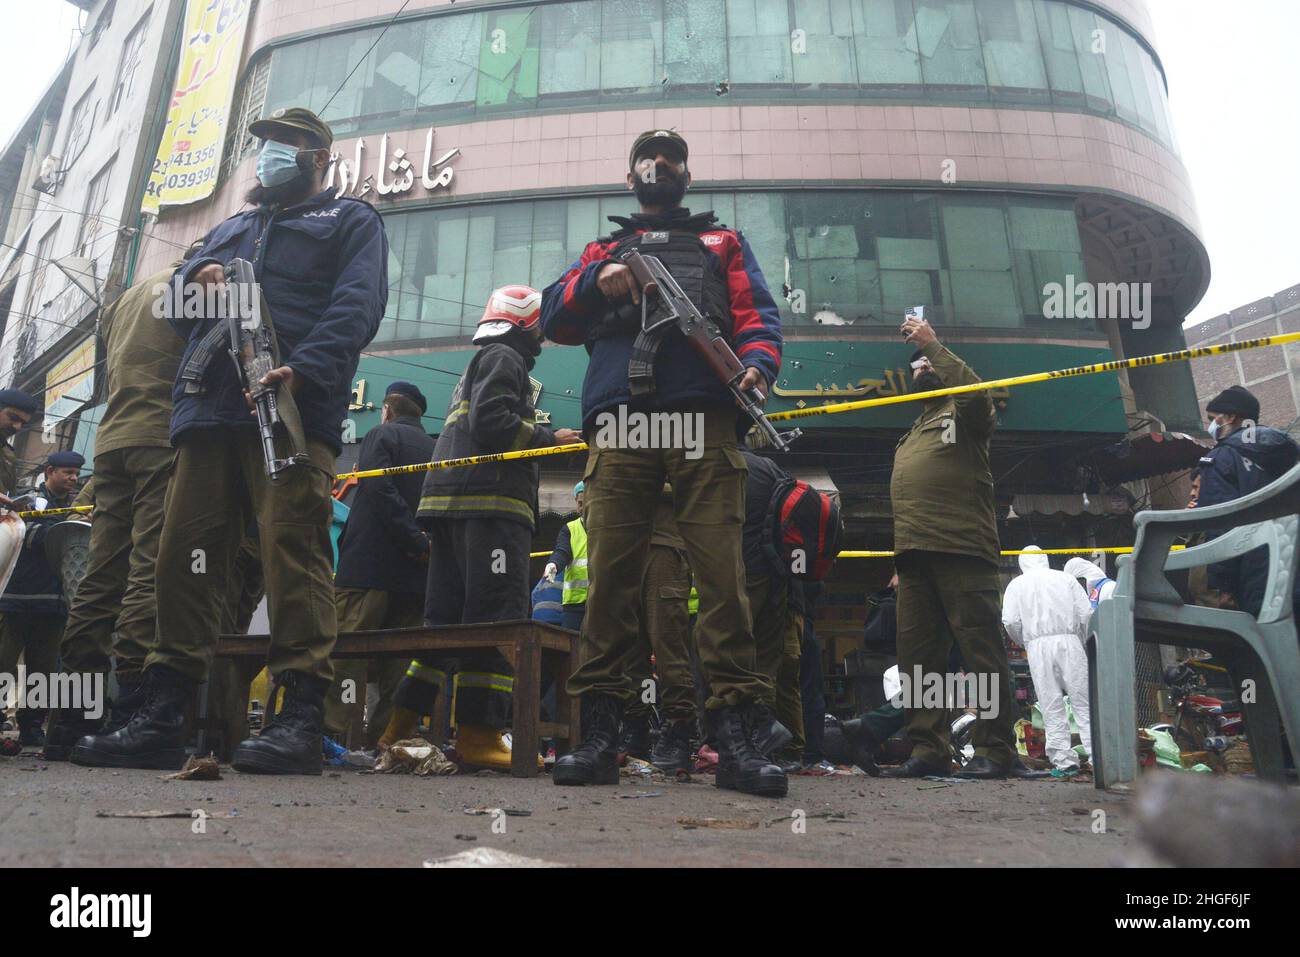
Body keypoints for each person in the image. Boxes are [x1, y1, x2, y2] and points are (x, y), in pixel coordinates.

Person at [74, 107, 389, 773]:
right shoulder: (233, 228)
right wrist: (197, 283)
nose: (272, 153)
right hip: (209, 413)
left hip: (290, 409)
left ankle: (299, 714)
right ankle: (162, 712)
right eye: (267, 142)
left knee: (293, 553)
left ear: (318, 158)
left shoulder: (352, 221)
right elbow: (178, 315)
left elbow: (357, 306)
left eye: (288, 144)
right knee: (182, 559)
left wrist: (303, 372)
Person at [542, 128, 786, 796]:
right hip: (623, 419)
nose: (658, 166)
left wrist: (758, 369)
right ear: (630, 178)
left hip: (705, 414)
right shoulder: (603, 248)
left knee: (723, 579)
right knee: (611, 583)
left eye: (670, 158)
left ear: (685, 172)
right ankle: (598, 734)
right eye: (647, 159)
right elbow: (552, 314)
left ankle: (737, 736)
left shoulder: (721, 243)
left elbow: (757, 316)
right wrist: (599, 278)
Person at [378, 286, 579, 770]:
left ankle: (395, 732)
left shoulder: (483, 359)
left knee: (443, 625)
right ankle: (479, 736)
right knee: (494, 621)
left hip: (450, 505)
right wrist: (552, 440)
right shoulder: (506, 357)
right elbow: (493, 421)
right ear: (527, 326)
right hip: (489, 507)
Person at [43, 262, 191, 760]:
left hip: (112, 440)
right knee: (149, 568)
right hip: (160, 435)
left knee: (100, 576)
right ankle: (130, 707)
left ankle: (70, 719)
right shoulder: (197, 283)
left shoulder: (124, 299)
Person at [884, 314, 1017, 779]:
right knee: (919, 659)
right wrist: (902, 557)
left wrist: (934, 344)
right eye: (916, 366)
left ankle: (996, 750)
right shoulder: (914, 431)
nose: (921, 369)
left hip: (962, 551)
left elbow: (978, 396)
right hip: (915, 557)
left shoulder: (964, 417)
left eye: (928, 364)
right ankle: (929, 749)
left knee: (981, 653)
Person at [324, 381, 435, 748]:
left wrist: (408, 536)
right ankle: (386, 741)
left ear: (387, 410)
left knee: (348, 655)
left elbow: (378, 488)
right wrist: (420, 544)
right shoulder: (435, 448)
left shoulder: (380, 435)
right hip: (415, 574)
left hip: (368, 569)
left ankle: (330, 734)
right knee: (399, 660)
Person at [0, 450, 83, 745]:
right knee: (4, 662)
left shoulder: (78, 506)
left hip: (55, 600)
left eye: (75, 474)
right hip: (18, 595)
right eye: (67, 473)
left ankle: (32, 725)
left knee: (43, 670)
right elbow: (26, 535)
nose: (73, 479)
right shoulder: (28, 501)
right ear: (50, 471)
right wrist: (65, 532)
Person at [1195, 385, 1300, 617]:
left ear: (1231, 417)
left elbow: (1219, 523)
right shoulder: (1290, 454)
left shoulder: (1221, 459)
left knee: (1273, 648)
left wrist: (1224, 586)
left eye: (1213, 419)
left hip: (1260, 574)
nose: (1211, 425)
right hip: (1294, 558)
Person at [618, 486, 698, 772]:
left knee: (668, 647)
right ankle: (636, 730)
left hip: (664, 547)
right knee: (631, 650)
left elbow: (688, 482)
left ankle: (678, 730)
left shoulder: (676, 442)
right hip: (626, 548)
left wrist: (637, 478)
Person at [1001, 546, 1094, 776]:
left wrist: (1025, 641)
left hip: (1037, 646)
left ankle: (1064, 762)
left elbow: (1010, 621)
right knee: (1084, 701)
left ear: (1023, 563)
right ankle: (1098, 756)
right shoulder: (1066, 579)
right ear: (1045, 559)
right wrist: (1080, 640)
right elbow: (1086, 614)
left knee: (1050, 703)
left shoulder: (1016, 584)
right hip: (1070, 642)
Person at [740, 447, 801, 769]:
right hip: (776, 577)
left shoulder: (721, 467)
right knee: (766, 666)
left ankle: (739, 739)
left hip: (740, 578)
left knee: (728, 657)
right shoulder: (770, 468)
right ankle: (766, 746)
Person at [545, 482, 588, 632]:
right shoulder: (570, 529)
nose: (582, 507)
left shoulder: (607, 529)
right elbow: (562, 551)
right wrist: (554, 564)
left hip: (602, 602)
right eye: (580, 503)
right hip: (574, 605)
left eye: (586, 502)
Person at [0, 388, 38, 507]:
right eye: (13, 418)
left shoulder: (8, 454)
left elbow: (8, 493)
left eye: (23, 423)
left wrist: (16, 505)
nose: (17, 427)